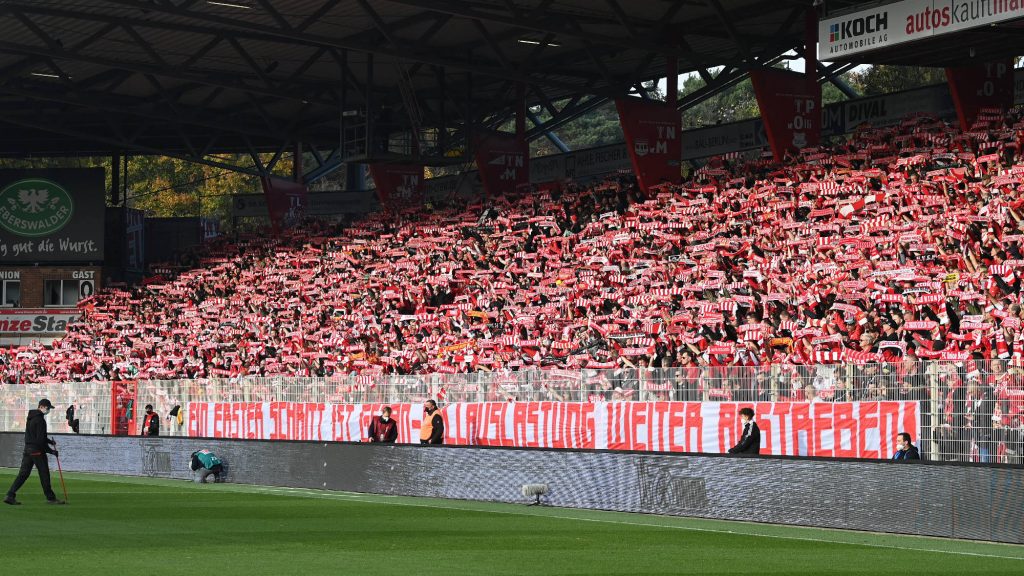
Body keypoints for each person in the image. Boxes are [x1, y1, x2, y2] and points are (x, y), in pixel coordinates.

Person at [4, 399, 65, 505]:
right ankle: (50, 498)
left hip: (28, 449)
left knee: (23, 474)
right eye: (48, 408)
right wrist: (51, 451)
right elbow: (40, 440)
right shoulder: (41, 420)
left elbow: (37, 436)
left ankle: (10, 495)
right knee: (44, 474)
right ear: (42, 406)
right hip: (37, 451)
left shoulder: (31, 418)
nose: (48, 410)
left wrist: (50, 442)